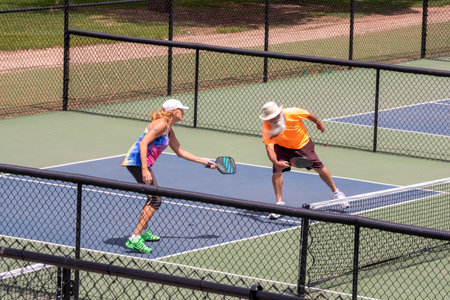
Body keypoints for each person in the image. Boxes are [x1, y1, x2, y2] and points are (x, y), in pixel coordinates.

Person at [121, 99, 216, 253]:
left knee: (152, 197)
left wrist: (203, 161)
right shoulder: (161, 125)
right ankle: (135, 238)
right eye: (181, 109)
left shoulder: (169, 130)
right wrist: (145, 169)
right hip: (137, 163)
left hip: (142, 164)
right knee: (155, 198)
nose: (183, 112)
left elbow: (180, 152)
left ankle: (142, 233)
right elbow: (143, 143)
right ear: (173, 111)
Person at [259, 101, 348, 219]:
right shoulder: (267, 127)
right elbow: (269, 148)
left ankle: (336, 193)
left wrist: (318, 122)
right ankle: (279, 205)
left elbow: (307, 114)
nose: (274, 119)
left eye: (276, 116)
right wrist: (276, 162)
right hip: (282, 147)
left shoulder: (292, 113)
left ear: (280, 112)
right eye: (271, 118)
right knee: (277, 171)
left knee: (320, 168)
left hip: (302, 144)